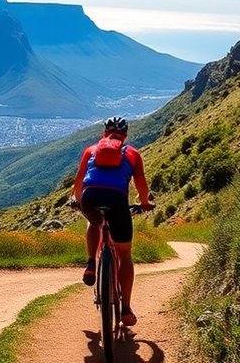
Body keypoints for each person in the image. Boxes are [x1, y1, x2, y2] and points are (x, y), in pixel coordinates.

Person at [69, 116, 153, 326]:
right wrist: (144, 203)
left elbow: (79, 179)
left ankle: (91, 263)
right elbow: (141, 184)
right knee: (124, 255)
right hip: (117, 201)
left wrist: (78, 201)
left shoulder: (91, 150)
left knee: (94, 222)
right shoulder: (132, 154)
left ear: (104, 132)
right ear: (125, 134)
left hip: (91, 197)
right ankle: (126, 309)